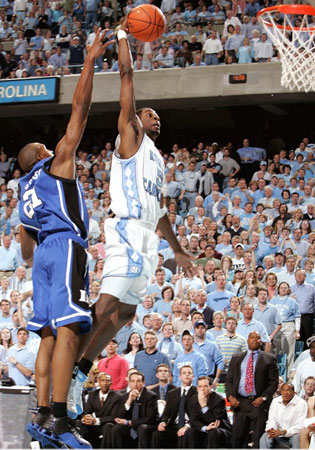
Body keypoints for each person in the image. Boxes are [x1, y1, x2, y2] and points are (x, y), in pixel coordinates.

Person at [70, 16, 193, 417]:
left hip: (147, 237)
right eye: (148, 113)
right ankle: (65, 366)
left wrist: (177, 249)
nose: (154, 117)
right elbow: (127, 77)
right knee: (105, 306)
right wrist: (124, 35)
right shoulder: (130, 136)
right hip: (123, 229)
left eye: (159, 116)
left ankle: (79, 371)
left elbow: (161, 215)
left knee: (126, 314)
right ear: (136, 120)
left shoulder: (158, 161)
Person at [18, 29, 114, 449]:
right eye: (45, 145)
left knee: (47, 335)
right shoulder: (56, 162)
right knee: (72, 330)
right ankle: (59, 418)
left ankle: (41, 413)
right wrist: (90, 59)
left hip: (41, 256)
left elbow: (24, 246)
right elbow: (81, 108)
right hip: (65, 245)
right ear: (43, 153)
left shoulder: (23, 189)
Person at [225, 331, 279, 448]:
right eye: (252, 337)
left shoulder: (269, 359)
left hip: (258, 403)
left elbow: (273, 383)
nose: (255, 340)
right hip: (240, 402)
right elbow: (229, 380)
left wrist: (263, 398)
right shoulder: (236, 358)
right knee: (237, 438)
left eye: (258, 338)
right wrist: (230, 397)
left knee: (258, 438)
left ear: (261, 341)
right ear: (247, 340)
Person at [108, 371, 158, 448]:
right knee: (117, 428)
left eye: (138, 381)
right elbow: (118, 417)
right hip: (131, 427)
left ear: (143, 383)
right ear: (129, 383)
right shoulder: (125, 397)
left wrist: (129, 422)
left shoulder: (151, 396)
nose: (135, 384)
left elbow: (150, 419)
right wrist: (129, 401)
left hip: (146, 425)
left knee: (142, 428)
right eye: (132, 381)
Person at [151, 365, 197, 448]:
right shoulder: (172, 393)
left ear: (193, 377)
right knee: (157, 434)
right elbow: (166, 413)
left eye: (189, 373)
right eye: (184, 373)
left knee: (186, 434)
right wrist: (163, 422)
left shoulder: (197, 392)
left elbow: (198, 415)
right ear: (180, 377)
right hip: (174, 425)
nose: (187, 375)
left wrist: (187, 426)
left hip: (189, 426)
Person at [184, 375, 232, 448]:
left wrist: (203, 406)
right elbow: (193, 420)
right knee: (190, 432)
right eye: (200, 386)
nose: (202, 389)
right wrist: (205, 428)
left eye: (205, 386)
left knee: (213, 432)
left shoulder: (219, 400)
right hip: (204, 429)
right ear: (197, 389)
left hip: (220, 430)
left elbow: (215, 421)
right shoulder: (193, 400)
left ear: (210, 387)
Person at [259, 382, 307, 449]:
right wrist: (271, 430)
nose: (285, 393)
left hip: (292, 436)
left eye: (288, 390)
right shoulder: (275, 401)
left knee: (298, 437)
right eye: (283, 390)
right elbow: (271, 420)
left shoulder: (301, 404)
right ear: (280, 391)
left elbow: (300, 426)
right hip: (278, 436)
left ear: (294, 392)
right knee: (265, 436)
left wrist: (284, 432)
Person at [81, 372, 121, 448]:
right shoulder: (92, 394)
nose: (105, 383)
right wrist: (86, 418)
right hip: (94, 424)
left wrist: (96, 420)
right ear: (98, 382)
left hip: (107, 424)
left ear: (111, 382)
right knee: (80, 423)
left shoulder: (117, 396)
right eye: (102, 380)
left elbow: (113, 417)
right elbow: (87, 411)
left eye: (107, 380)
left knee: (108, 426)